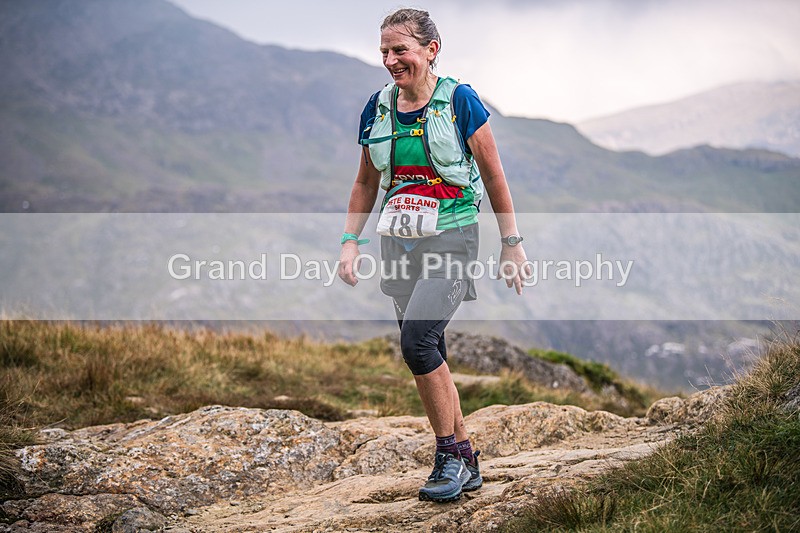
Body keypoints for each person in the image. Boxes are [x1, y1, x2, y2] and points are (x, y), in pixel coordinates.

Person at [338, 8, 530, 503]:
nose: (390, 60)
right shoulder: (376, 109)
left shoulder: (460, 101)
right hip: (397, 238)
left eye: (400, 49)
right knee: (429, 348)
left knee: (417, 341)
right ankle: (464, 454)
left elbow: (494, 177)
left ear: (430, 50)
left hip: (452, 234)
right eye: (384, 51)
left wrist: (512, 245)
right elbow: (365, 181)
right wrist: (350, 242)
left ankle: (447, 454)